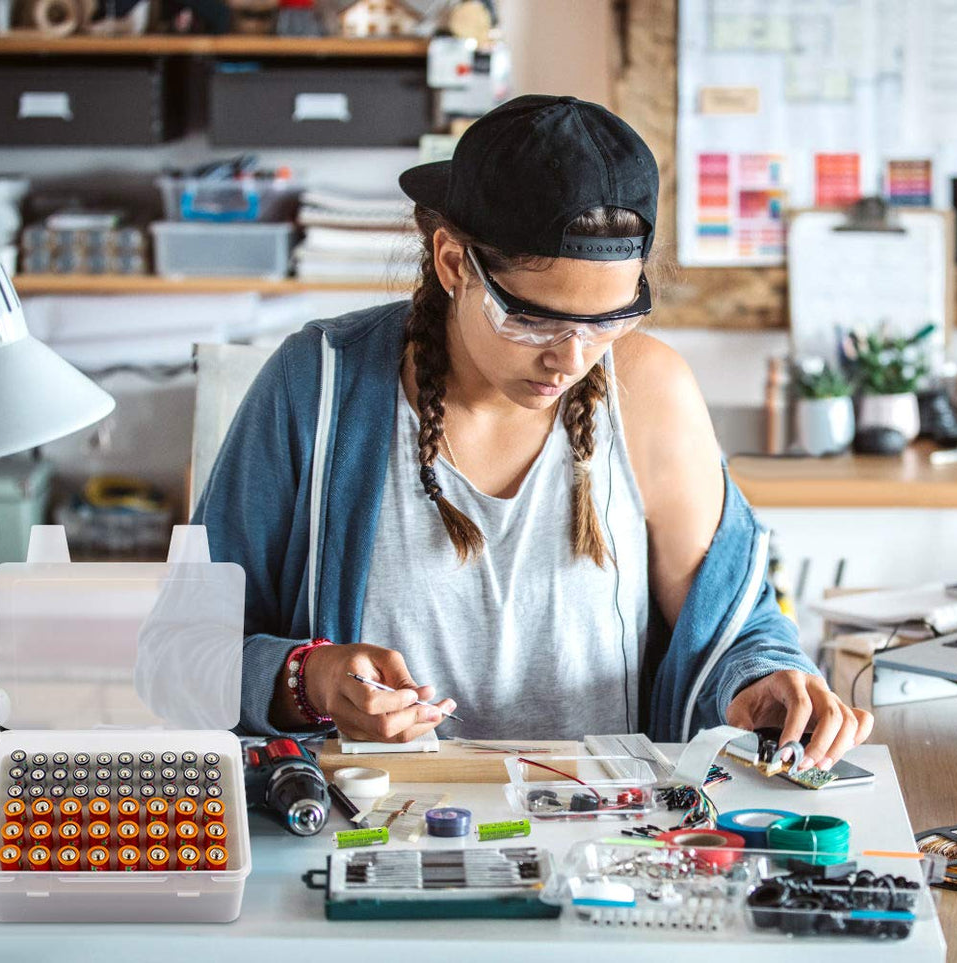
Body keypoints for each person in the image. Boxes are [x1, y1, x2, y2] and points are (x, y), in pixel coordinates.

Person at [194, 95, 873, 772]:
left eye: (607, 321)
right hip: (371, 827)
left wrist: (764, 681)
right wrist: (306, 680)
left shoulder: (650, 391)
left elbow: (734, 627)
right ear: (454, 264)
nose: (573, 360)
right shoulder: (316, 387)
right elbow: (184, 653)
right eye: (537, 322)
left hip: (606, 838)